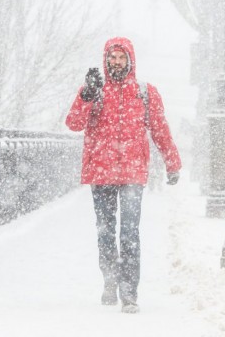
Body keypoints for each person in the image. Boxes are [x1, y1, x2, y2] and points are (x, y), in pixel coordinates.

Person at [65, 37, 181, 314]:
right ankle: (110, 281)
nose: (116, 62)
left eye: (121, 57)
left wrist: (172, 162)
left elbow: (160, 129)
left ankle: (129, 294)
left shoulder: (145, 92)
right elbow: (73, 124)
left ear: (130, 60)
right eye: (112, 57)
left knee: (129, 233)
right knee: (106, 232)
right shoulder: (95, 91)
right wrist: (85, 97)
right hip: (101, 171)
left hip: (132, 172)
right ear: (106, 60)